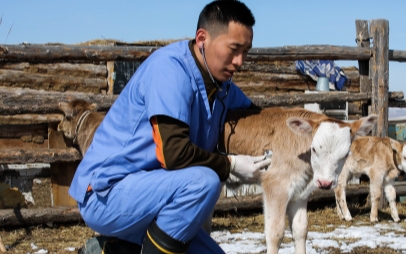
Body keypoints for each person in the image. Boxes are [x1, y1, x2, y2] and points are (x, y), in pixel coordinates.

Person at [69, 1, 271, 253]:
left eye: (246, 51)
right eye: (233, 49)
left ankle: (108, 250)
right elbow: (174, 154)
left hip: (156, 196)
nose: (240, 61)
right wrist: (230, 165)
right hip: (107, 194)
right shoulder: (169, 70)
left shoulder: (221, 87)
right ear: (202, 38)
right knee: (204, 181)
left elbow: (256, 115)